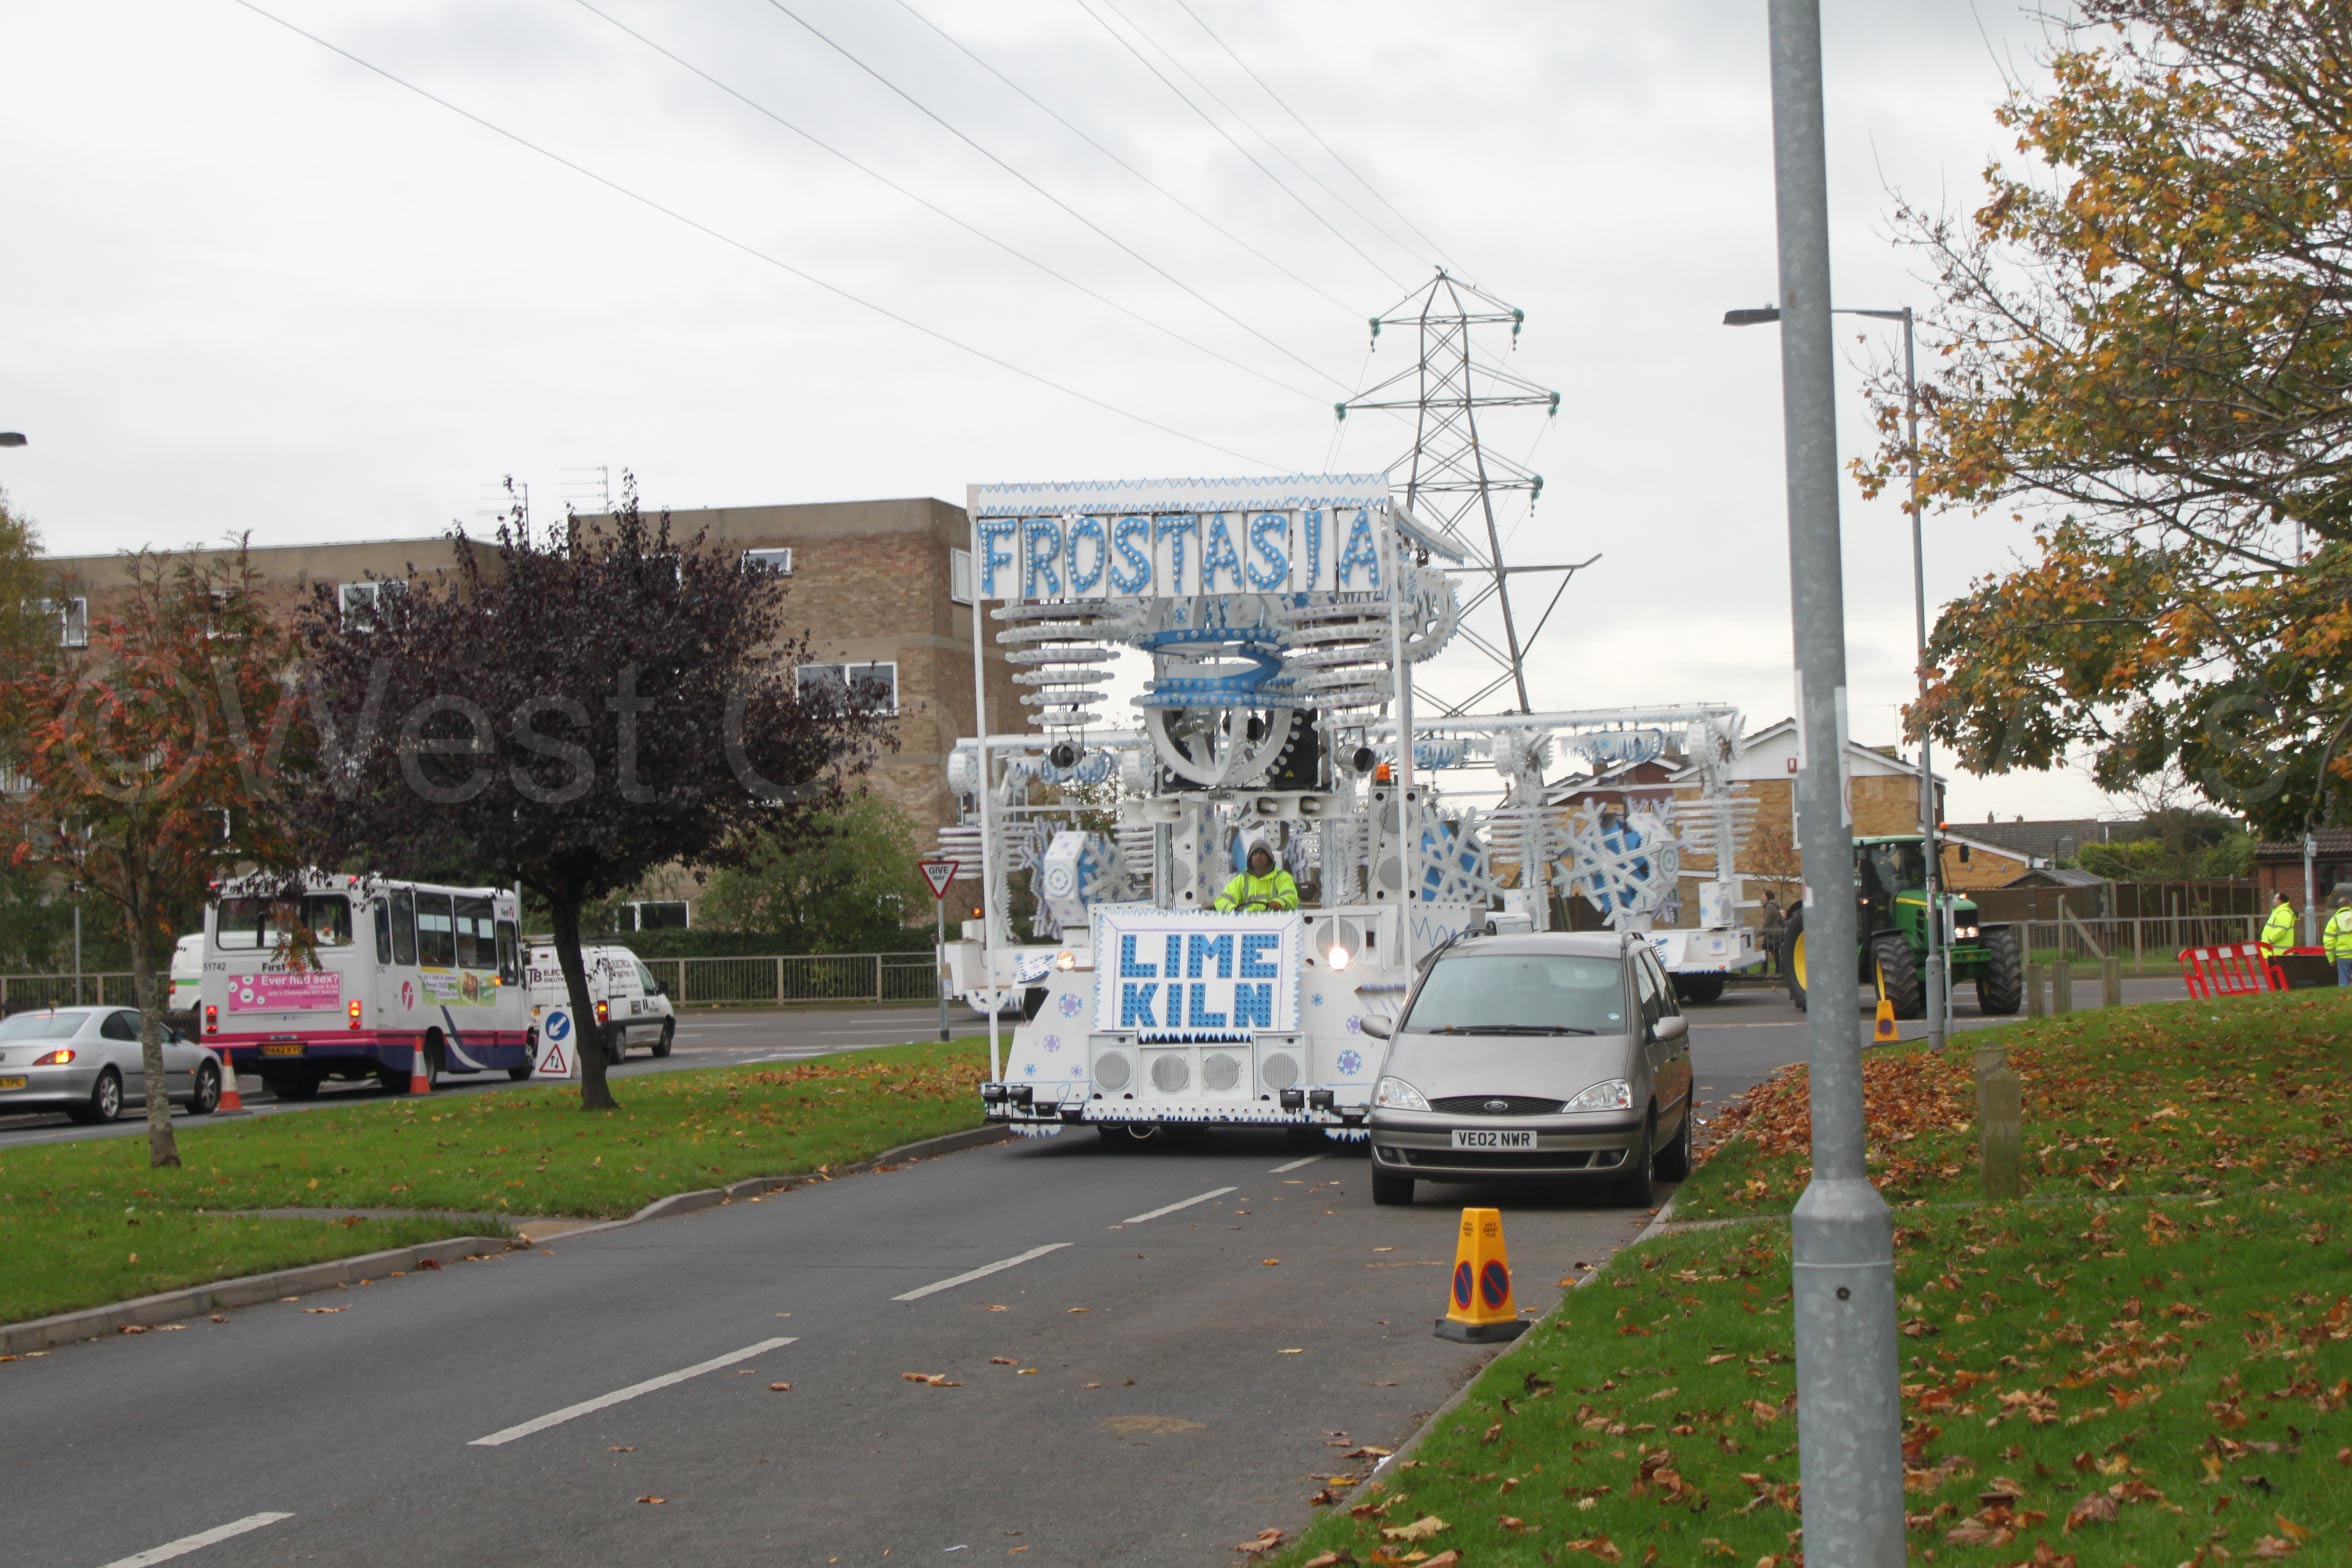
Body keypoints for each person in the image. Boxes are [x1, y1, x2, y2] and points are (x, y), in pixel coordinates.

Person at [1215, 838, 1299, 913]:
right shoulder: (1241, 879)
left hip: (1276, 923)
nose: (1258, 856)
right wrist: (1234, 909)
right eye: (1255, 853)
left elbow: (1291, 897)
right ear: (1250, 858)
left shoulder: (1282, 877)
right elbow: (1221, 900)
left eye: (1262, 853)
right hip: (1247, 923)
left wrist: (1279, 903)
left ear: (1269, 857)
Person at [2327, 886, 2352, 988]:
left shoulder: (2334, 920)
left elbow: (2329, 941)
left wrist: (2331, 958)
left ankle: (2344, 996)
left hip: (2342, 956)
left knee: (2343, 982)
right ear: (2350, 905)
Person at [1759, 892, 1786, 977]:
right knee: (1775, 952)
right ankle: (1779, 970)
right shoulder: (1774, 906)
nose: (1762, 897)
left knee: (1766, 950)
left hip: (1772, 934)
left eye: (1763, 896)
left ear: (1767, 897)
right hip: (1776, 933)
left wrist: (1759, 933)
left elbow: (1766, 922)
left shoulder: (1769, 906)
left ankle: (1764, 971)